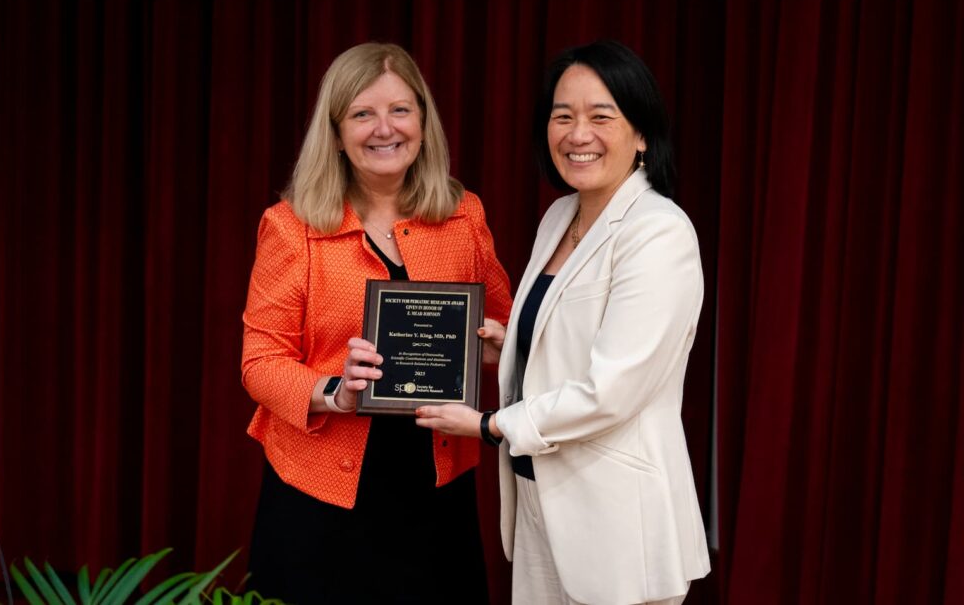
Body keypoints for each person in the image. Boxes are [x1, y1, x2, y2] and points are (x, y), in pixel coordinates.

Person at [416, 40, 711, 604]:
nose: (578, 134)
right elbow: (573, 337)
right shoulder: (560, 216)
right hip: (540, 501)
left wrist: (486, 425)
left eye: (602, 116)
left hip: (618, 523)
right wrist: (513, 345)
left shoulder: (658, 231)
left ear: (642, 134)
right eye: (563, 116)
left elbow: (612, 390)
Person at [240, 42, 513, 604]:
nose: (384, 129)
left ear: (422, 120)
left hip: (435, 488)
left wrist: (494, 345)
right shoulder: (291, 227)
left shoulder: (464, 215)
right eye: (362, 113)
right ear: (336, 132)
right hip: (320, 496)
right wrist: (334, 391)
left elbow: (503, 328)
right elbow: (260, 363)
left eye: (400, 110)